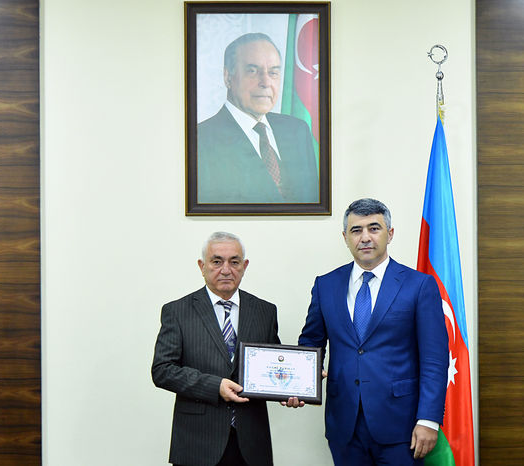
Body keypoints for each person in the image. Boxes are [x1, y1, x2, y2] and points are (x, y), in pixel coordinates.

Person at [298, 198, 449, 465]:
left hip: (402, 427)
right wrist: (299, 382)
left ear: (390, 234)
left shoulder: (419, 285)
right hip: (344, 426)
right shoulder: (326, 285)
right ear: (345, 237)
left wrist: (428, 419)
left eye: (374, 228)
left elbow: (434, 359)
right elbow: (311, 342)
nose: (365, 237)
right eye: (356, 230)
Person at [152, 232, 285, 466]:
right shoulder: (177, 311)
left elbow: (272, 366)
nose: (226, 270)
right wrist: (215, 386)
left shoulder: (265, 311)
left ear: (244, 266)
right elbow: (162, 370)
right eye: (216, 261)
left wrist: (292, 389)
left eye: (234, 262)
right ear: (202, 266)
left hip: (252, 444)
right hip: (197, 442)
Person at [197, 32, 319, 204]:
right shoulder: (200, 140)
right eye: (253, 71)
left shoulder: (297, 130)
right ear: (228, 77)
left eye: (273, 72)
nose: (266, 82)